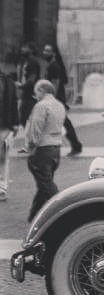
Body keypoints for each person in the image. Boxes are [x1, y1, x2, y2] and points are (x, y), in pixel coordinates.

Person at [25, 80, 66, 222]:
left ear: (42, 90)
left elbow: (35, 128)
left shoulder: (41, 106)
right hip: (56, 149)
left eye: (36, 92)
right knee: (44, 183)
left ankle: (63, 210)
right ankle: (34, 215)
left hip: (42, 149)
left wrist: (30, 146)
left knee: (47, 185)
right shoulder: (60, 105)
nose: (35, 95)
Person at [42, 42, 84, 156]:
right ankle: (75, 145)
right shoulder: (51, 66)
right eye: (44, 50)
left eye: (47, 51)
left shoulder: (54, 66)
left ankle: (76, 145)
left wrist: (51, 99)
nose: (44, 53)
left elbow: (55, 84)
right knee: (63, 123)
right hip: (57, 99)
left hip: (57, 99)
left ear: (54, 53)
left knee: (64, 123)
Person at [0, 69, 19, 200]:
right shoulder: (8, 82)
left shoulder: (9, 82)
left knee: (4, 157)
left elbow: (14, 102)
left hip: (6, 126)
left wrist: (16, 123)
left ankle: (2, 188)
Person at [15, 42, 41, 127]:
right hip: (25, 94)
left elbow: (32, 79)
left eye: (25, 47)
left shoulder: (33, 61)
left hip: (31, 95)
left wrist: (21, 86)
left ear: (31, 50)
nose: (22, 49)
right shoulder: (25, 61)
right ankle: (31, 138)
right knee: (23, 119)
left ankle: (33, 138)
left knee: (27, 119)